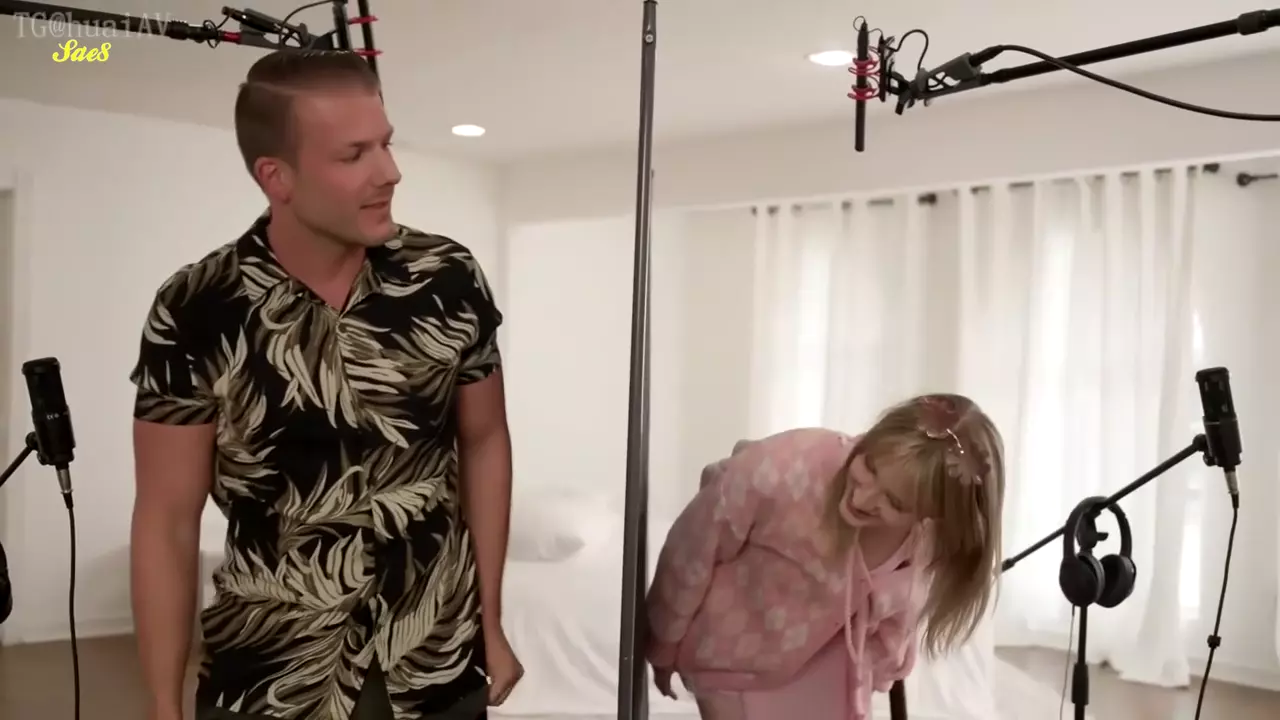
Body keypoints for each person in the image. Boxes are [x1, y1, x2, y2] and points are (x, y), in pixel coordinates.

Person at [128, 50, 519, 720]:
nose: (389, 172)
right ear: (276, 176)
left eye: (386, 144)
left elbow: (485, 441)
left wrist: (492, 621)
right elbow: (166, 518)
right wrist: (165, 707)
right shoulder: (198, 306)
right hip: (271, 678)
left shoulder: (448, 279)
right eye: (354, 155)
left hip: (438, 666)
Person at [646, 394, 1005, 720]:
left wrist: (880, 665)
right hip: (730, 660)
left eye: (895, 503)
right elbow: (689, 553)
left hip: (827, 670)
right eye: (869, 467)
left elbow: (902, 609)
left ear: (932, 515)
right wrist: (662, 645)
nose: (862, 498)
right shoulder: (779, 469)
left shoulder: (927, 538)